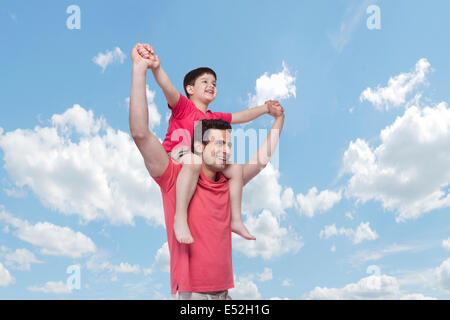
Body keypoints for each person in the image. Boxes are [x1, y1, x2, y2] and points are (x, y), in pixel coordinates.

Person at [129, 44, 286, 300]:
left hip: (224, 294)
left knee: (234, 169)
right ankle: (181, 217)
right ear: (201, 145)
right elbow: (141, 132)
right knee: (189, 163)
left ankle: (237, 219)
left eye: (229, 144)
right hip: (194, 295)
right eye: (219, 143)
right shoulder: (174, 176)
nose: (225, 150)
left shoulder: (226, 181)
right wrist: (144, 69)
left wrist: (273, 115)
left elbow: (259, 154)